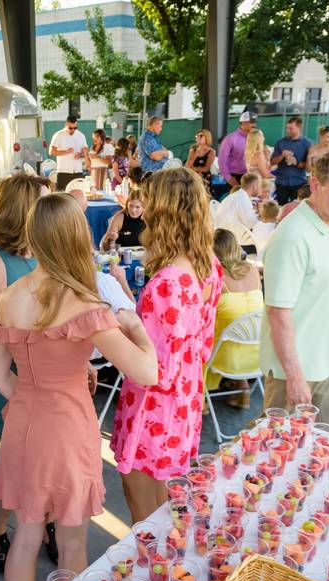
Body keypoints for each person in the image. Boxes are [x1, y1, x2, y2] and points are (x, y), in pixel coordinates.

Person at [0, 192, 157, 581]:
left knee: (24, 537)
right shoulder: (84, 302)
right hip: (66, 430)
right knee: (72, 544)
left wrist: (35, 395)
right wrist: (135, 323)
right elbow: (147, 371)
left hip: (22, 421)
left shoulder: (8, 296)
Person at [111, 167, 223, 523]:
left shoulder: (168, 283)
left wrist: (116, 315)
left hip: (153, 409)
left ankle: (150, 576)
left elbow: (151, 367)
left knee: (143, 515)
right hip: (184, 400)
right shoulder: (210, 267)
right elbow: (198, 344)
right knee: (161, 510)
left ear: (162, 212)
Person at [0, 173, 51, 572]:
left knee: (47, 458)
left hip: (50, 375)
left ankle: (48, 521)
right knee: (18, 463)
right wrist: (26, 332)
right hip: (12, 376)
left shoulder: (47, 253)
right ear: (26, 213)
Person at [259, 149, 329, 435]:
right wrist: (294, 376)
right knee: (278, 462)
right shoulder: (293, 236)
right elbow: (279, 314)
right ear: (316, 185)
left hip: (328, 363)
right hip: (293, 373)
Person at [204, 228, 262, 409]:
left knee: (200, 334)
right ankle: (243, 390)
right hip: (257, 354)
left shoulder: (215, 277)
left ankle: (201, 401)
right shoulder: (253, 270)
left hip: (225, 356)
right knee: (239, 326)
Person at [270, 116, 312, 204]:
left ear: (299, 128)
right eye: (287, 128)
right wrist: (282, 155)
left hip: (299, 182)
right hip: (281, 182)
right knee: (281, 209)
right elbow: (272, 162)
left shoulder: (308, 144)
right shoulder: (280, 142)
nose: (288, 130)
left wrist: (296, 163)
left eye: (291, 128)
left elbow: (309, 167)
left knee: (298, 210)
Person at [217, 111, 256, 188]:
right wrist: (229, 178)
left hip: (251, 177)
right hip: (235, 178)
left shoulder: (254, 138)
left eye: (254, 122)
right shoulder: (230, 138)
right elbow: (222, 160)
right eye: (251, 122)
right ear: (243, 122)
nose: (254, 125)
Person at [49, 116, 88, 191]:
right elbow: (51, 151)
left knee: (79, 195)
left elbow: (85, 150)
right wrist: (66, 152)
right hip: (63, 171)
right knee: (62, 196)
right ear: (66, 124)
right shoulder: (59, 135)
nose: (73, 130)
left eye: (75, 128)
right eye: (70, 128)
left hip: (78, 171)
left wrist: (80, 154)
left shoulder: (81, 135)